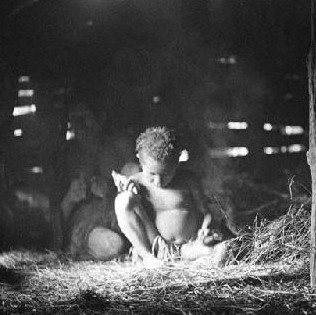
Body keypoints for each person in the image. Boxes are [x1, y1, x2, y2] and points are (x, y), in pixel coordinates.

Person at [114, 126, 229, 266]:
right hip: (156, 248)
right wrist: (130, 194)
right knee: (123, 200)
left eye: (166, 174)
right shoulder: (135, 183)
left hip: (188, 248)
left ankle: (198, 259)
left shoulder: (188, 180)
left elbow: (206, 213)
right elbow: (129, 217)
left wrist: (206, 228)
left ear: (177, 161)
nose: (158, 182)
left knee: (222, 249)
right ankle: (148, 259)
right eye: (151, 174)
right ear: (139, 159)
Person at [54, 101, 139, 260]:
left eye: (84, 117)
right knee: (113, 245)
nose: (78, 125)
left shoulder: (120, 145)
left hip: (120, 215)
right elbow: (58, 213)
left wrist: (112, 190)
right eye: (73, 119)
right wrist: (71, 197)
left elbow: (140, 185)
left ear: (101, 117)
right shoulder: (70, 155)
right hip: (88, 225)